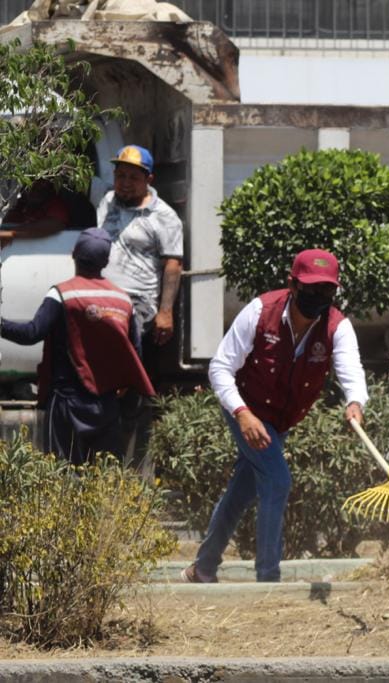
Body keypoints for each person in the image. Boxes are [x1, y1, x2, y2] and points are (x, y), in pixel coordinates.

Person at [182, 249, 369, 584]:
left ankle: (203, 568)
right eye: (310, 289)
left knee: (241, 492)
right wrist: (241, 413)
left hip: (280, 420)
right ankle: (268, 579)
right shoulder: (260, 311)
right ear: (292, 284)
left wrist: (355, 402)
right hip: (246, 408)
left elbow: (350, 369)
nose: (317, 298)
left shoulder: (337, 327)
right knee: (278, 480)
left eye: (326, 291)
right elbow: (221, 367)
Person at [0, 228, 154, 465]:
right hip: (107, 406)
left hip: (66, 403)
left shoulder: (62, 294)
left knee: (61, 478)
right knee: (105, 478)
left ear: (74, 254)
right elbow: (134, 352)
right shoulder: (123, 300)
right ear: (106, 261)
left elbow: (32, 334)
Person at [96, 145, 183, 347]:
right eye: (120, 176)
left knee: (121, 351)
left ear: (148, 180)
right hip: (102, 294)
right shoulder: (107, 200)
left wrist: (166, 312)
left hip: (137, 302)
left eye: (133, 178)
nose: (125, 183)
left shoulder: (164, 216)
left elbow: (173, 264)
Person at [0, 179, 71, 242]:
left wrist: (12, 233)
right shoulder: (22, 204)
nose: (35, 187)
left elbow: (54, 225)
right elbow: (8, 221)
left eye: (42, 184)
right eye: (31, 182)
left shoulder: (56, 205)